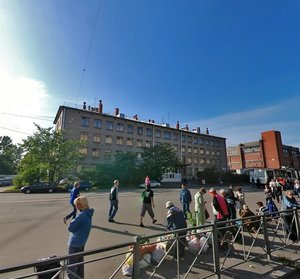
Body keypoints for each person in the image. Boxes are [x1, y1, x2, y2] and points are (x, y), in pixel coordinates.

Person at [67, 196, 94, 279]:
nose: (76, 206)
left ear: (81, 205)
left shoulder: (81, 215)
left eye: (76, 205)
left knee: (71, 266)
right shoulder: (88, 213)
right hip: (82, 242)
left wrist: (72, 221)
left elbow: (70, 227)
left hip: (74, 243)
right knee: (79, 263)